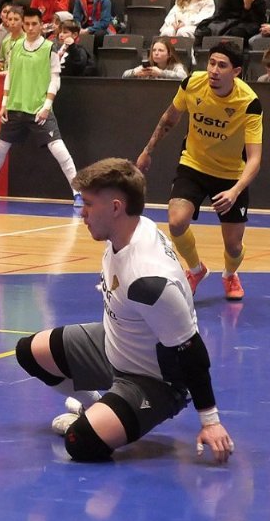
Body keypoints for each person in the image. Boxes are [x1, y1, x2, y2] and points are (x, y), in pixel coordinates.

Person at [13, 157, 235, 464]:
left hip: (154, 380)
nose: (82, 213)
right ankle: (93, 407)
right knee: (29, 351)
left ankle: (104, 416)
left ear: (116, 207)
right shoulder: (128, 229)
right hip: (115, 343)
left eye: (88, 204)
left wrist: (210, 422)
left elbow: (191, 350)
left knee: (80, 442)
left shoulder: (148, 281)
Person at [136, 41, 262, 301]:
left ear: (236, 72)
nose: (214, 70)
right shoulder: (192, 83)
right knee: (176, 222)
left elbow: (254, 159)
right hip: (193, 164)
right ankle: (196, 270)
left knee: (233, 246)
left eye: (222, 66)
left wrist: (235, 191)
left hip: (230, 176)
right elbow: (170, 118)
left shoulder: (249, 102)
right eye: (211, 63)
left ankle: (229, 274)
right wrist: (148, 149)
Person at [0, 6, 83, 207]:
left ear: (41, 25)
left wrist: (47, 105)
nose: (31, 27)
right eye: (27, 24)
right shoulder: (15, 46)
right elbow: (10, 75)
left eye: (34, 24)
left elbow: (55, 79)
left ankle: (77, 192)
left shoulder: (49, 48)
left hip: (39, 108)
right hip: (15, 106)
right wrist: (4, 103)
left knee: (59, 149)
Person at [122, 38, 187, 79]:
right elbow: (124, 75)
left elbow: (184, 77)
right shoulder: (148, 66)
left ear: (169, 54)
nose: (156, 53)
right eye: (154, 50)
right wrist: (134, 73)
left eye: (160, 50)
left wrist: (161, 73)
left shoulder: (176, 66)